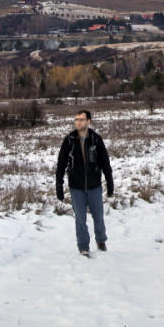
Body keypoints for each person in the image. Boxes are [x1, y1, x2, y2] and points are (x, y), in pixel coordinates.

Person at [55, 109, 114, 256]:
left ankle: (101, 241)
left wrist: (109, 181)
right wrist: (59, 186)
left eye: (81, 119)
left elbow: (105, 162)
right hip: (76, 187)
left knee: (98, 216)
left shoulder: (96, 139)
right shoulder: (69, 140)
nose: (78, 122)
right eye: (76, 119)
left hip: (94, 186)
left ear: (88, 121)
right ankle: (83, 247)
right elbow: (61, 164)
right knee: (80, 219)